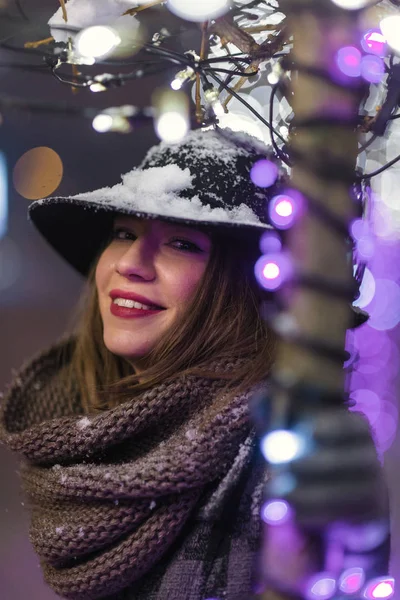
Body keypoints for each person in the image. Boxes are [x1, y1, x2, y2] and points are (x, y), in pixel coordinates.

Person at [0, 127, 389, 600]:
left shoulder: (289, 443)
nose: (131, 263)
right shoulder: (73, 435)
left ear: (243, 286)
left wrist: (355, 532)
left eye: (182, 243)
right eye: (124, 233)